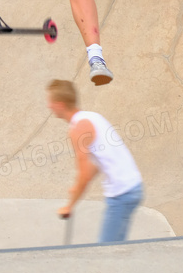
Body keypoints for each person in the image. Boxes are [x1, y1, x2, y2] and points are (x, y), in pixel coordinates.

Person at [48, 79, 143, 243]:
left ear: (60, 104)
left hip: (121, 194)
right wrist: (76, 188)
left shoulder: (78, 129)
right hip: (133, 187)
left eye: (51, 102)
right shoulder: (93, 117)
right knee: (117, 249)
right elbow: (100, 162)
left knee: (105, 252)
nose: (49, 106)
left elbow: (83, 175)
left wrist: (70, 205)